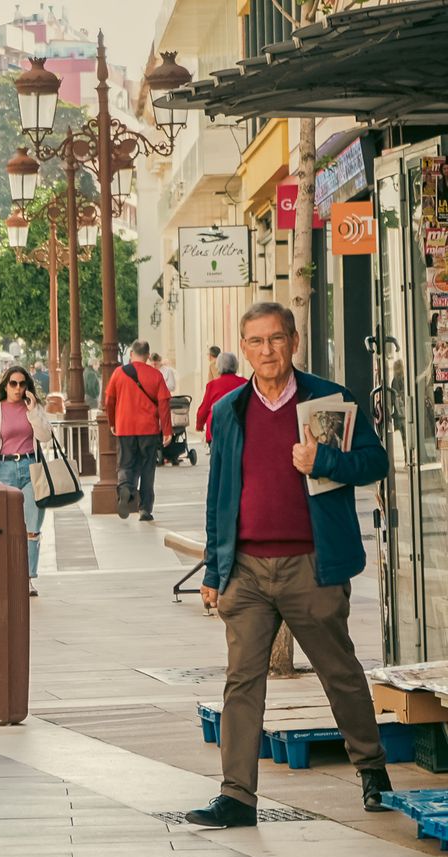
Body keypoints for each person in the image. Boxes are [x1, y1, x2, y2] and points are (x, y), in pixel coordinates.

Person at [187, 302, 390, 829]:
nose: (267, 351)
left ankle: (372, 771)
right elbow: (218, 495)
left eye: (276, 339)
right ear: (244, 348)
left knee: (340, 673)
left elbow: (375, 461)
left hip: (312, 565)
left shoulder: (327, 399)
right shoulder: (231, 411)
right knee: (241, 681)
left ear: (293, 342)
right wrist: (214, 571)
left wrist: (323, 461)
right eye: (255, 342)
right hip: (248, 569)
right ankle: (236, 796)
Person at [0, 366, 53, 597]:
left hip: (31, 469)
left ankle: (27, 578)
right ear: (5, 385)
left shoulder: (33, 408)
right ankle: (5, 575)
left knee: (32, 527)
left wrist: (32, 411)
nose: (18, 388)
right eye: (13, 384)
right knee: (4, 526)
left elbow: (45, 436)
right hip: (5, 469)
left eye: (22, 384)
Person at [103, 340, 171, 521]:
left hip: (125, 427)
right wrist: (167, 430)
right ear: (148, 356)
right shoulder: (156, 375)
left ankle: (125, 488)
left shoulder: (119, 373)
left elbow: (109, 400)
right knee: (148, 468)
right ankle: (145, 509)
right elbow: (164, 403)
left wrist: (112, 421)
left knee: (126, 463)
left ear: (131, 354)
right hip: (148, 429)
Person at [196, 351, 247, 443]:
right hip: (239, 429)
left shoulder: (212, 385)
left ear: (218, 366)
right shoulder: (245, 383)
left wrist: (199, 425)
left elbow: (204, 408)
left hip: (217, 429)